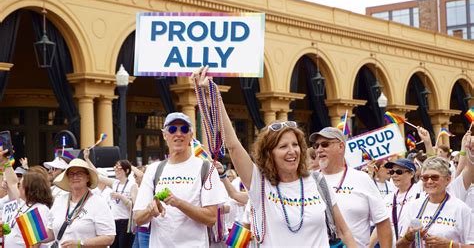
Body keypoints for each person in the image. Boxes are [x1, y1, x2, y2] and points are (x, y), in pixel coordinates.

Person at [193, 67, 356, 247]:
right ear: (269, 153)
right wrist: (215, 97)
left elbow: (343, 230)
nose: (292, 151)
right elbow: (233, 145)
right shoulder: (260, 185)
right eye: (283, 146)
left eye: (295, 145)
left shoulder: (318, 182)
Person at [133, 112, 227, 247]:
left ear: (191, 136)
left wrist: (178, 203)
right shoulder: (154, 170)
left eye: (184, 129)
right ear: (165, 135)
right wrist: (150, 210)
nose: (178, 134)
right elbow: (138, 218)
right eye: (172, 129)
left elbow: (211, 218)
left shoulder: (205, 168)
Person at [310, 127, 392, 248]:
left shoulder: (362, 179)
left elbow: (383, 223)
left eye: (325, 144)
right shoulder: (309, 181)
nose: (319, 150)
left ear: (341, 147)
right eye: (316, 146)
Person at [397, 157, 474, 247]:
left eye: (435, 177)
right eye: (425, 178)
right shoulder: (414, 206)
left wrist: (450, 245)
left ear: (448, 180)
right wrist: (408, 237)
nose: (429, 181)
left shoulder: (461, 209)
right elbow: (399, 245)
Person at [42, 158, 116, 247]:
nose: (75, 177)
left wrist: (80, 244)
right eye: (71, 174)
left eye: (79, 173)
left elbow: (109, 237)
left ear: (88, 177)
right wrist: (25, 231)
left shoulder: (98, 203)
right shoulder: (59, 200)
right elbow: (51, 232)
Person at [0, 148, 53, 248]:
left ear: (30, 188)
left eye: (21, 184)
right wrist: (5, 162)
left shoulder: (38, 209)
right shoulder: (24, 204)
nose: (18, 185)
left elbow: (35, 244)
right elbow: (12, 183)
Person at [369, 158, 423, 247]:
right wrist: (369, 246)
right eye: (391, 172)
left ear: (411, 174)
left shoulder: (420, 194)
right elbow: (381, 226)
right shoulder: (388, 198)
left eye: (399, 172)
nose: (394, 175)